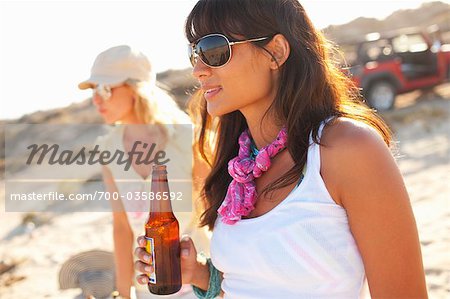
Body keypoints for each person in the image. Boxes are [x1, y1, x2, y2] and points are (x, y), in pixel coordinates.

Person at [134, 0, 428, 298]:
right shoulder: (237, 166)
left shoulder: (346, 149)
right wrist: (197, 274)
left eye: (214, 50)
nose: (198, 70)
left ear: (275, 52)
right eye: (194, 53)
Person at [78, 45, 210, 299]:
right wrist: (125, 293)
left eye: (105, 88)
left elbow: (215, 209)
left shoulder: (187, 137)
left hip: (200, 282)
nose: (96, 99)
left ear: (136, 88)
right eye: (94, 90)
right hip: (149, 286)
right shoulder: (107, 149)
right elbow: (122, 228)